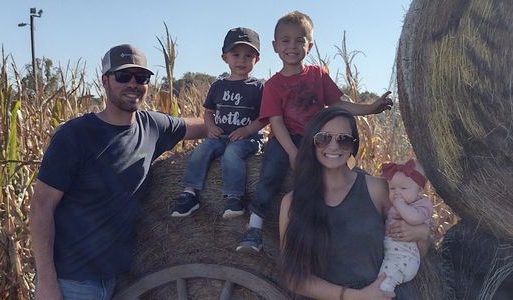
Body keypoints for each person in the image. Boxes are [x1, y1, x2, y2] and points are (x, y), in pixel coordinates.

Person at [29, 44, 206, 300]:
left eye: (141, 77)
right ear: (105, 81)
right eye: (123, 76)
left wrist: (250, 123)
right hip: (72, 282)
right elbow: (41, 207)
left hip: (118, 280)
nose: (133, 84)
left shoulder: (152, 127)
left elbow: (202, 127)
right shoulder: (75, 136)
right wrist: (46, 283)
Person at [236, 10, 394, 252]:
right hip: (284, 139)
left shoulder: (318, 75)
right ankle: (255, 227)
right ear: (275, 46)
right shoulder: (273, 85)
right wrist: (291, 151)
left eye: (300, 40)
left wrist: (370, 108)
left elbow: (339, 103)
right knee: (270, 174)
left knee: (329, 179)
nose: (292, 46)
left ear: (309, 46)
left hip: (316, 138)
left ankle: (331, 229)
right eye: (285, 40)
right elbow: (276, 122)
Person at [278, 107, 430, 299]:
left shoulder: (377, 189)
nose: (333, 146)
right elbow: (293, 277)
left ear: (352, 146)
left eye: (344, 140)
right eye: (324, 138)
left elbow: (410, 254)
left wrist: (422, 233)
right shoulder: (292, 202)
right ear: (312, 142)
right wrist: (354, 296)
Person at [170, 27, 266, 219]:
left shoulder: (258, 87)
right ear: (225, 58)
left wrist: (247, 130)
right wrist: (211, 127)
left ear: (257, 59)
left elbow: (265, 117)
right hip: (220, 137)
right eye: (235, 54)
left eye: (249, 55)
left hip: (247, 139)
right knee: (200, 151)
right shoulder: (218, 85)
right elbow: (208, 112)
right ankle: (189, 193)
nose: (241, 60)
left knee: (232, 154)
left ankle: (234, 198)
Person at [378, 159, 433, 292]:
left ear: (419, 191)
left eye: (403, 188)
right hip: (393, 251)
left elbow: (414, 219)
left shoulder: (422, 204)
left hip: (406, 257)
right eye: (392, 188)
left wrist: (399, 204)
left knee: (383, 281)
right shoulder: (396, 203)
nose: (397, 192)